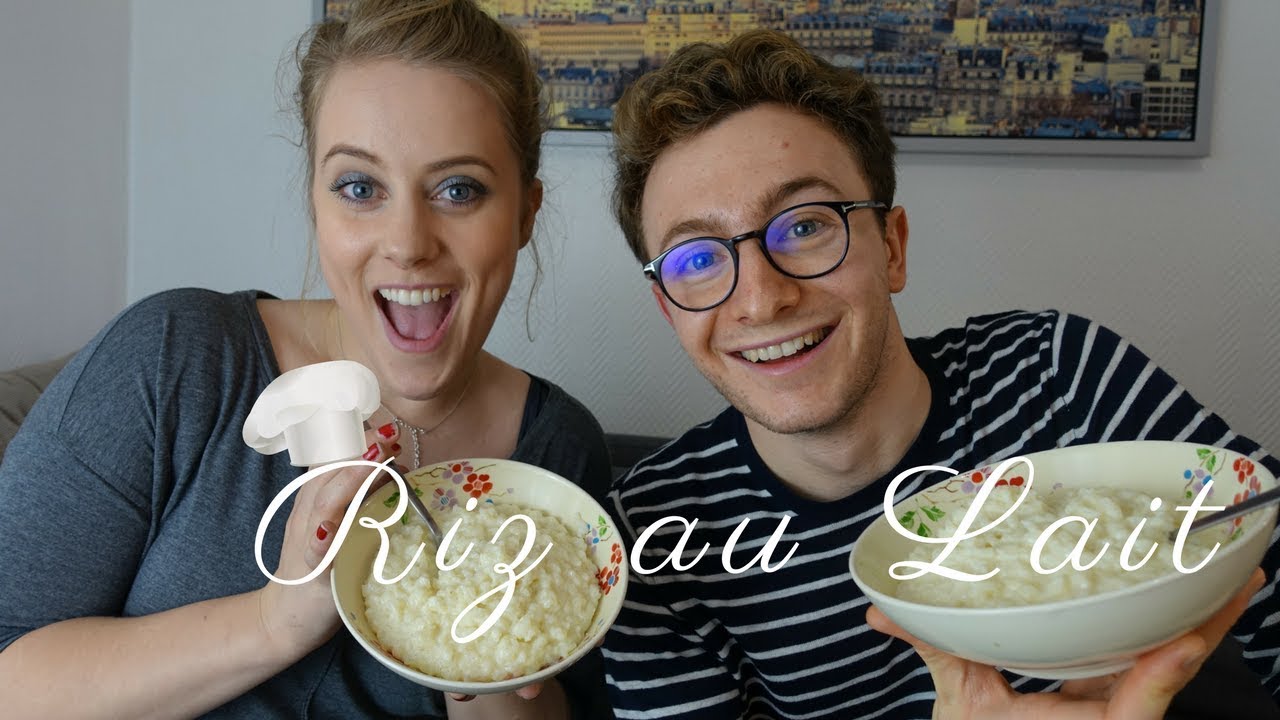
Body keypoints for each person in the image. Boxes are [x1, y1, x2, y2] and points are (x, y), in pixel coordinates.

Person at [601, 29, 1280, 720]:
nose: (761, 298)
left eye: (804, 226)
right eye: (696, 259)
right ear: (668, 309)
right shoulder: (651, 535)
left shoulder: (1060, 377)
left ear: (892, 247)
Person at [0, 1, 613, 718]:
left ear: (525, 214)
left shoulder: (556, 456)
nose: (408, 243)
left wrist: (485, 658)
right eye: (360, 188)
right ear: (316, 204)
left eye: (458, 190)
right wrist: (275, 621)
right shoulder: (175, 360)